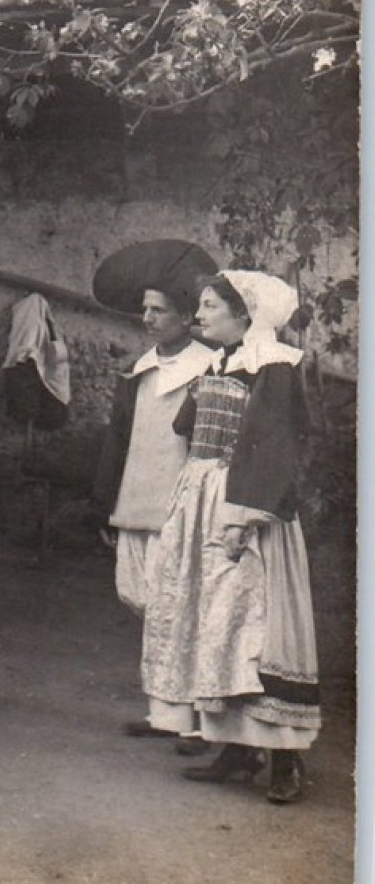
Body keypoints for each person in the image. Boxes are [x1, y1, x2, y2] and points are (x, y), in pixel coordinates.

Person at [140, 271, 319, 804]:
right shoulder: (220, 362)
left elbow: (276, 448)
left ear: (247, 314)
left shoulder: (276, 367)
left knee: (258, 630)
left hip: (246, 508)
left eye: (211, 305)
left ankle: (287, 760)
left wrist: (243, 517)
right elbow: (186, 427)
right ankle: (238, 749)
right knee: (216, 623)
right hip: (204, 496)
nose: (201, 315)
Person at [90, 240, 218, 752]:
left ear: (187, 318)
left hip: (183, 508)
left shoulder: (209, 370)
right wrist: (104, 504)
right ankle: (164, 710)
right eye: (144, 309)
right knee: (146, 602)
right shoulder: (139, 371)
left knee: (185, 608)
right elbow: (117, 440)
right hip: (136, 502)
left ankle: (198, 720)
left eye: (158, 310)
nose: (147, 318)